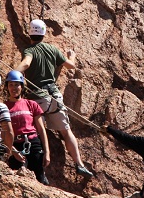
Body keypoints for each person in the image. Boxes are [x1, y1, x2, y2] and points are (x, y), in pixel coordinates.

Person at [16, 19, 94, 178]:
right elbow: (70, 66)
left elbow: (26, 64)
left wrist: (13, 74)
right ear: (44, 34)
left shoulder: (29, 50)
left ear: (30, 33)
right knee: (66, 132)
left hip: (38, 98)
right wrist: (72, 56)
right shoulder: (53, 49)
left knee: (36, 135)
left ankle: (39, 171)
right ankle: (79, 164)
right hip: (55, 97)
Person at [5, 70, 51, 185]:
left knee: (40, 177)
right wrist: (13, 151)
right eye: (11, 85)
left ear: (22, 87)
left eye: (17, 85)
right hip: (14, 144)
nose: (14, 88)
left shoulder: (31, 104)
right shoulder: (4, 107)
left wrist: (47, 152)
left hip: (33, 143)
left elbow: (41, 129)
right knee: (15, 181)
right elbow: (3, 132)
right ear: (7, 87)